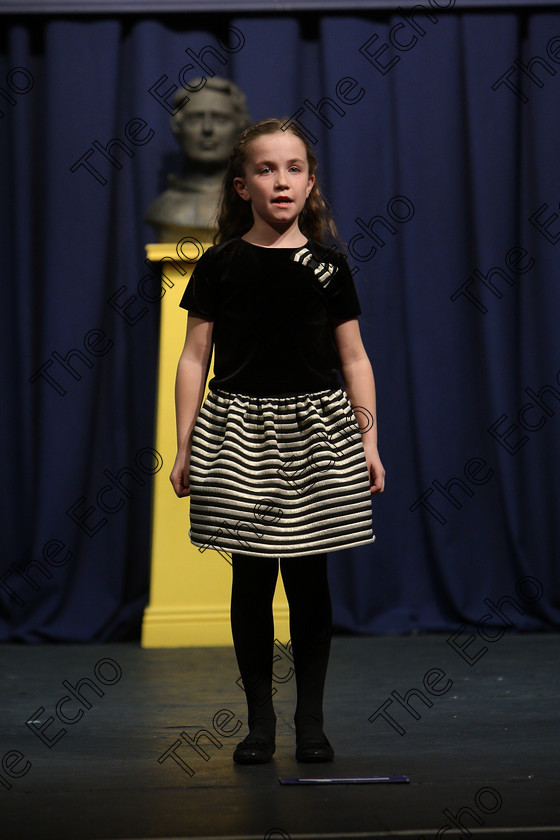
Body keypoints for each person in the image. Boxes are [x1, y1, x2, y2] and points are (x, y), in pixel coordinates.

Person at [169, 117, 385, 765]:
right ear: (242, 186)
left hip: (318, 433)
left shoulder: (328, 266)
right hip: (241, 431)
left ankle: (310, 723)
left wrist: (369, 442)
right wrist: (184, 445)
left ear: (310, 182)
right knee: (253, 580)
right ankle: (259, 723)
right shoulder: (222, 265)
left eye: (293, 168)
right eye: (265, 169)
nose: (280, 180)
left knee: (311, 580)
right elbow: (192, 358)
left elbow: (354, 359)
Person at [145, 77, 251, 239]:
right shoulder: (164, 209)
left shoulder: (252, 207)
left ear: (241, 127)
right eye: (195, 118)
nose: (207, 129)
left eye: (220, 119)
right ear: (177, 126)